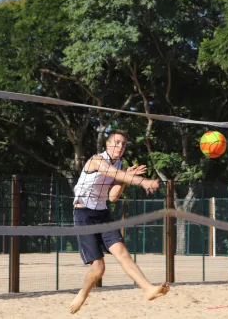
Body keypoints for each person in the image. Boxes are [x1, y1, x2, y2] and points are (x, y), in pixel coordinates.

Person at [69, 129, 170, 314]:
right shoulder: (96, 160)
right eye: (116, 142)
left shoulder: (119, 163)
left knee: (122, 253)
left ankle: (148, 289)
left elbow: (113, 196)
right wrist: (142, 181)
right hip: (84, 214)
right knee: (99, 268)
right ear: (107, 144)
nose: (120, 146)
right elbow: (114, 173)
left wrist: (123, 178)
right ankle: (83, 294)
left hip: (102, 213)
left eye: (123, 144)